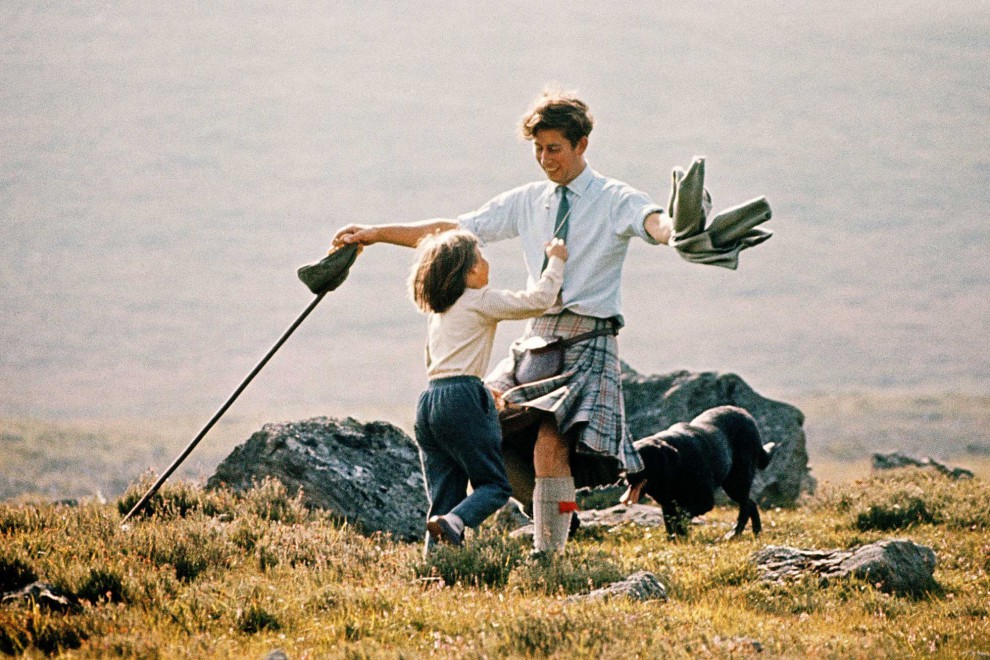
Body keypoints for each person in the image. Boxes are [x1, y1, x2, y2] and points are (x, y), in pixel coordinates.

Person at [334, 86, 676, 553]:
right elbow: (451, 232)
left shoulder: (615, 197)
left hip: (588, 338)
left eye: (553, 148)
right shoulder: (527, 200)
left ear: (581, 145)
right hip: (537, 339)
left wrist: (675, 232)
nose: (544, 158)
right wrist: (375, 234)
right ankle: (551, 525)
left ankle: (549, 554)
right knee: (488, 434)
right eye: (537, 148)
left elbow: (652, 221)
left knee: (550, 446)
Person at [408, 229, 568, 554]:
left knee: (443, 496)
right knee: (494, 486)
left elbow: (436, 361)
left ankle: (435, 567)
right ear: (468, 271)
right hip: (462, 396)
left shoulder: (439, 313)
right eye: (481, 258)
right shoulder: (480, 299)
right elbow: (538, 301)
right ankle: (455, 523)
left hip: (429, 401)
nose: (487, 263)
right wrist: (556, 262)